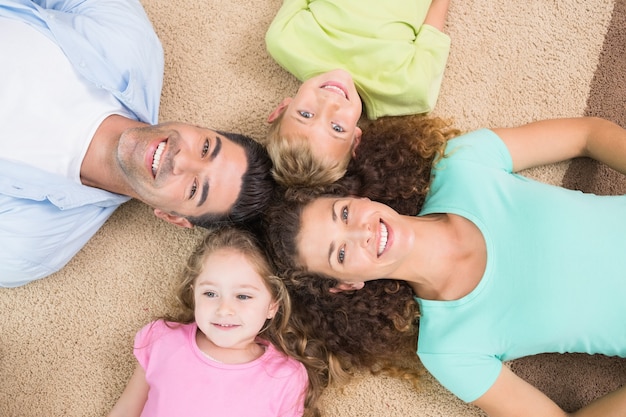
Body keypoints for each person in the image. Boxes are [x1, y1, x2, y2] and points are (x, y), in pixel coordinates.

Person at [264, 116, 626, 417]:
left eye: (343, 213)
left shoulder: (462, 162)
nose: (361, 232)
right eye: (340, 254)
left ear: (355, 196)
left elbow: (587, 135)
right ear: (347, 284)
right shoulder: (449, 349)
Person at [0, 0, 275, 287]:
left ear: (171, 217)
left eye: (195, 189)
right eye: (206, 148)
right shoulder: (130, 43)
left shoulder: (27, 244)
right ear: (198, 127)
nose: (181, 159)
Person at [108, 225, 325, 417]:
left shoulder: (286, 376)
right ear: (194, 293)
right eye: (210, 294)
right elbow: (126, 410)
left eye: (243, 296)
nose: (224, 309)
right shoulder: (162, 338)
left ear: (272, 305)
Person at [263, 0, 451, 187]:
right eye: (337, 127)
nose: (330, 102)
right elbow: (434, 25)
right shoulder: (410, 89)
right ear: (356, 139)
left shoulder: (284, 41)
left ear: (282, 108)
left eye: (306, 114)